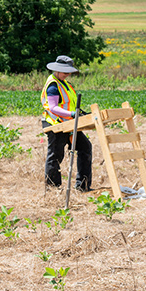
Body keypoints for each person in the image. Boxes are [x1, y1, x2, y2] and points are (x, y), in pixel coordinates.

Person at [41, 55, 92, 192]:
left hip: (69, 124)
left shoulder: (65, 84)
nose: (67, 74)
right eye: (65, 72)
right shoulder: (53, 84)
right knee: (56, 156)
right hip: (56, 124)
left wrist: (79, 114)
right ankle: (52, 189)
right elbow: (53, 107)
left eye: (69, 72)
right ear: (57, 70)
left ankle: (83, 186)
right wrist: (72, 114)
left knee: (85, 147)